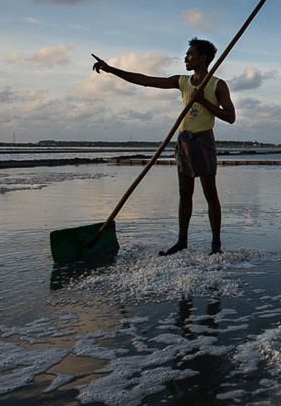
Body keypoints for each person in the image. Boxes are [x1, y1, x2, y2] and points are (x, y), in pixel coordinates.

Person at [92, 38, 236, 256]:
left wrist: (204, 101)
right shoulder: (182, 81)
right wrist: (111, 69)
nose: (185, 57)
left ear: (203, 58)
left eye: (190, 54)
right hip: (184, 141)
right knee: (184, 194)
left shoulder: (217, 84)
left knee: (210, 195)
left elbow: (231, 117)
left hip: (204, 142)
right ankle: (181, 242)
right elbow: (146, 81)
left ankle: (216, 245)